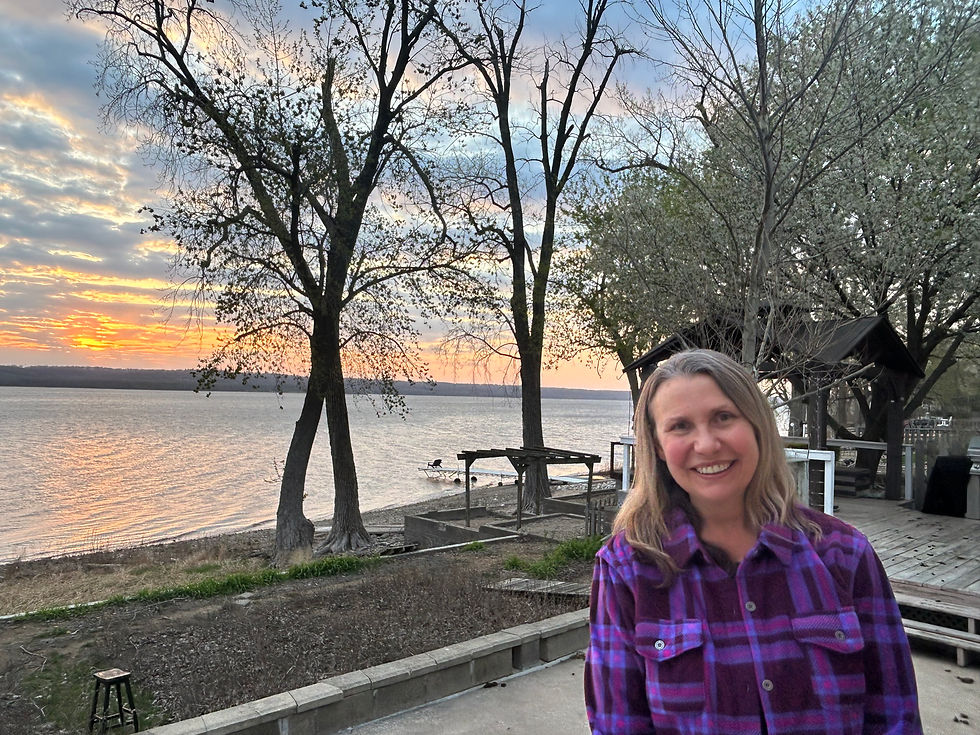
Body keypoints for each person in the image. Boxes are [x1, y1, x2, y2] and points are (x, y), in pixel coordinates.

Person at [585, 349, 921, 734]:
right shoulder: (625, 570)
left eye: (723, 417)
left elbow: (895, 717)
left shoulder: (844, 554)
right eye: (680, 426)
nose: (707, 444)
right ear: (658, 447)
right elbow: (618, 724)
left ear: (757, 424)